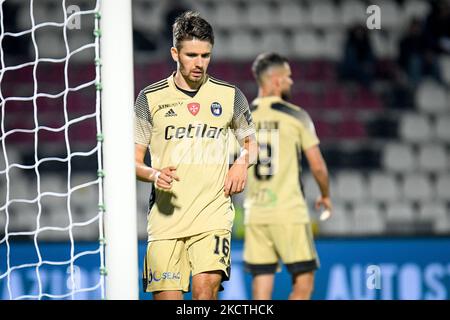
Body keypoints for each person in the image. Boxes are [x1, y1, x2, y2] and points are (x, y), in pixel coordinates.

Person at [134, 11, 257, 300]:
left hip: (212, 215)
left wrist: (241, 162)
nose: (199, 63)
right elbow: (133, 162)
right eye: (191, 55)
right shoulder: (149, 99)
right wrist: (154, 174)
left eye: (206, 55)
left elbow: (253, 144)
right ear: (175, 53)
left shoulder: (230, 95)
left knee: (205, 291)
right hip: (166, 221)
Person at [243, 52, 332, 300]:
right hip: (288, 212)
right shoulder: (296, 115)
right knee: (303, 285)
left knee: (261, 289)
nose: (292, 81)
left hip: (255, 213)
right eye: (288, 76)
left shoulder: (242, 118)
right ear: (275, 80)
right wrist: (325, 195)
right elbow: (317, 166)